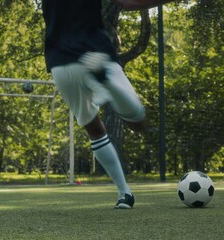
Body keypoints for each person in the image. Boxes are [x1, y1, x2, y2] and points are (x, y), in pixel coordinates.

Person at [42, 0, 175, 209]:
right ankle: (107, 83)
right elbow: (128, 3)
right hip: (96, 53)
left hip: (60, 62)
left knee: (94, 129)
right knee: (138, 123)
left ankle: (125, 193)